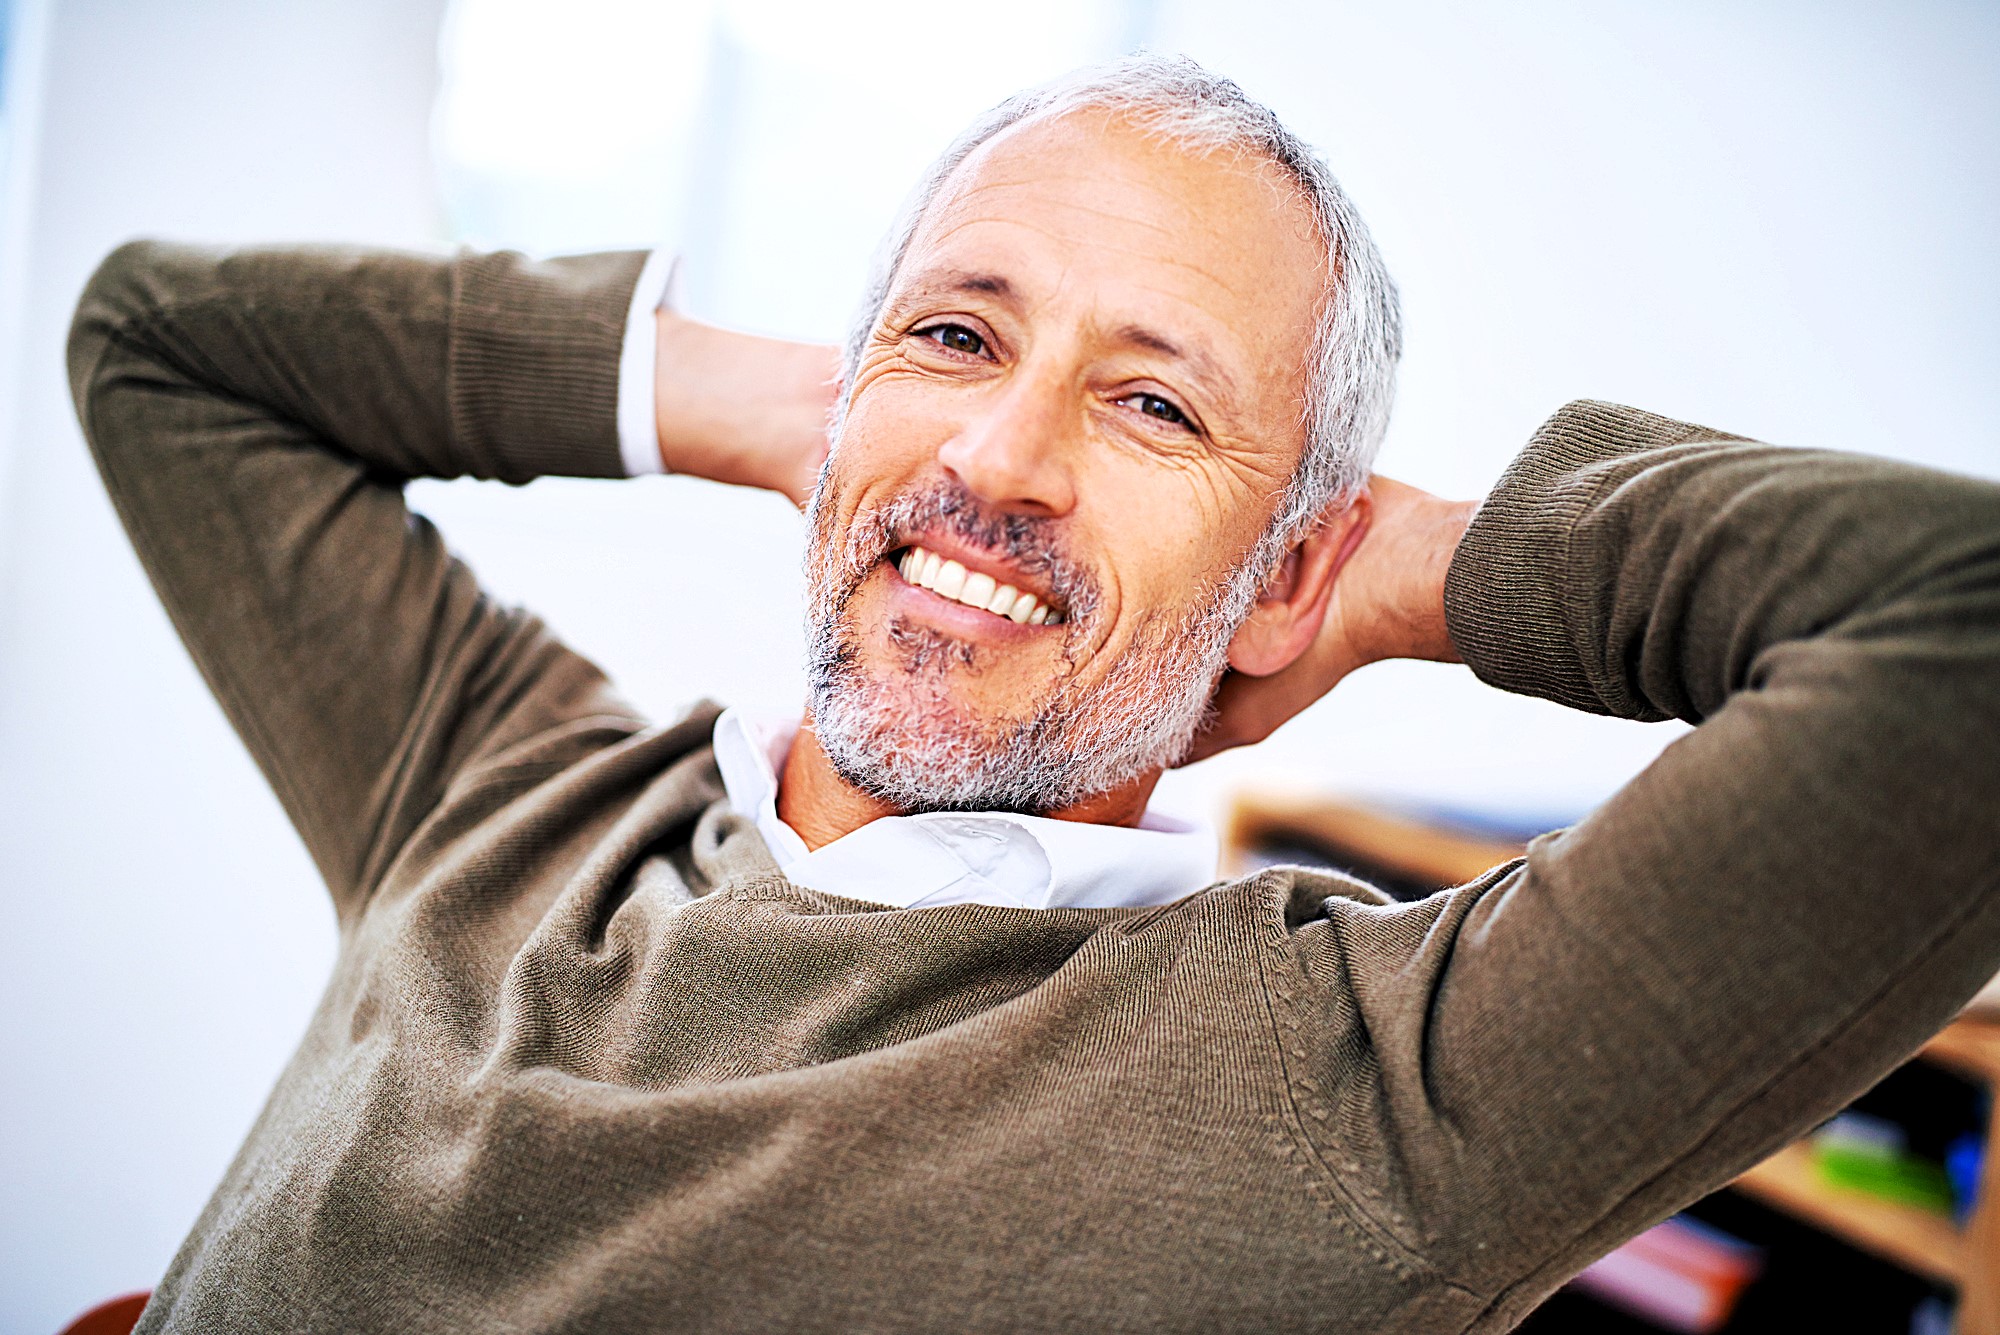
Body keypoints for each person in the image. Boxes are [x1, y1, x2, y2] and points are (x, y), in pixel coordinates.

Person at [67, 54, 1999, 1335]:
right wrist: (811, 410)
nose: (999, 453)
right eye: (956, 332)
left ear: (1290, 569)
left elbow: (1962, 636)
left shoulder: (1366, 1091)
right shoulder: (498, 784)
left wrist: (1400, 565)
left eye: (1154, 403)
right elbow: (160, 346)